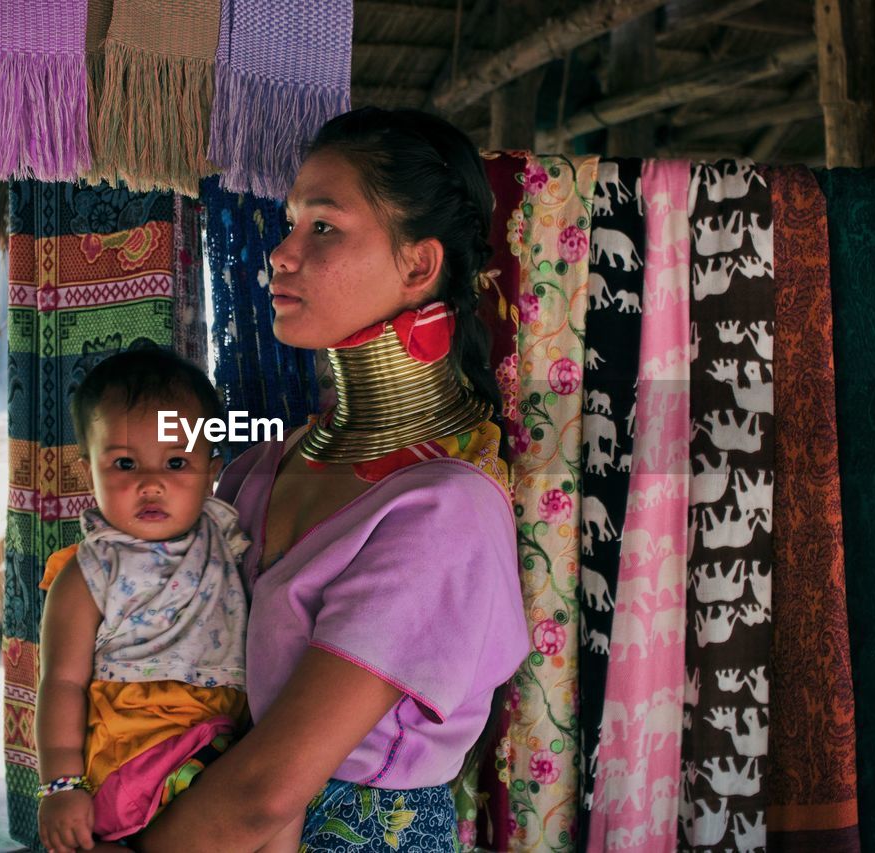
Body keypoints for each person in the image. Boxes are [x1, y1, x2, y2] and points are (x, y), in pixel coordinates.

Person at [126, 107, 530, 851]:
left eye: (323, 227)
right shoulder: (257, 468)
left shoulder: (446, 511)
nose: (279, 253)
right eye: (289, 224)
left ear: (418, 264)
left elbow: (267, 789)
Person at [34, 349, 303, 853]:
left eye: (177, 462)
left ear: (210, 471)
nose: (151, 482)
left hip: (224, 735)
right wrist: (61, 786)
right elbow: (62, 683)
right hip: (137, 750)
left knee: (283, 798)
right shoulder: (89, 571)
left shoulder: (227, 534)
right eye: (124, 464)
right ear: (85, 470)